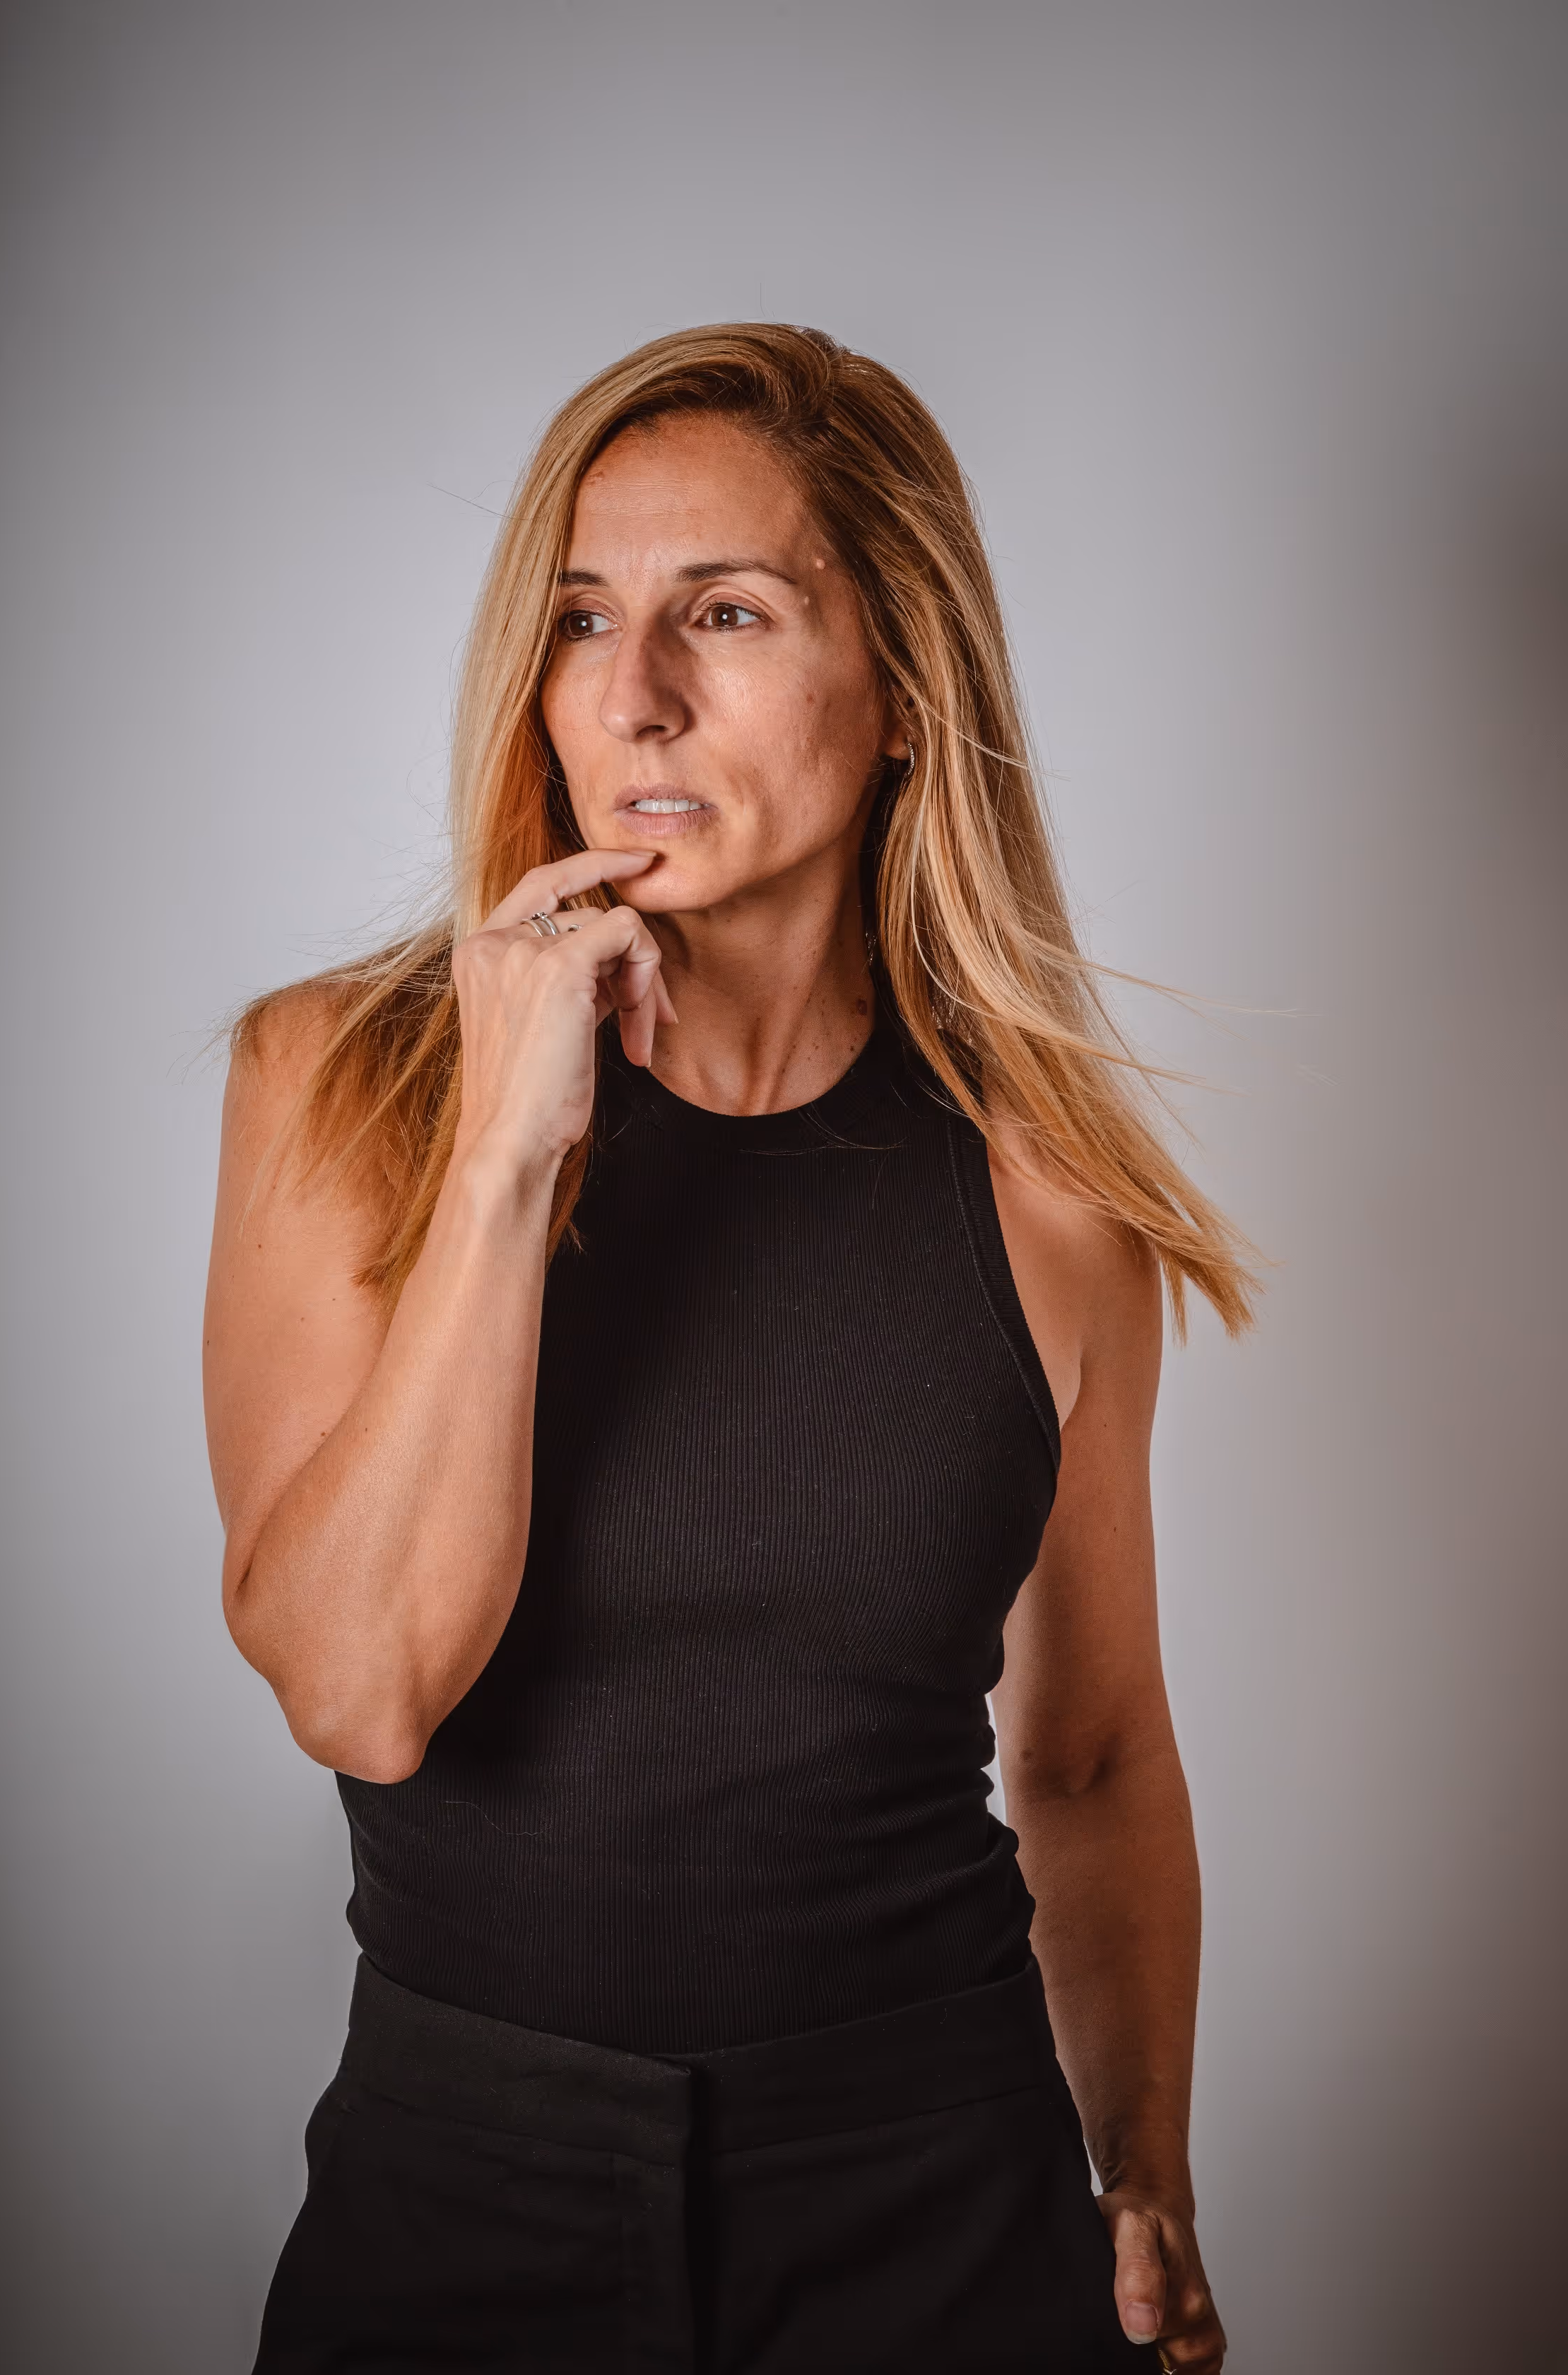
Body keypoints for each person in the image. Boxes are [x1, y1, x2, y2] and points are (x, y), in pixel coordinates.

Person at [204, 323, 1251, 2374]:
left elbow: (1094, 1753)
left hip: (939, 2198)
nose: (634, 694)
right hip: (461, 2186)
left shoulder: (1048, 1199)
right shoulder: (344, 1082)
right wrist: (506, 1153)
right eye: (583, 617)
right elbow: (361, 1691)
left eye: (732, 612)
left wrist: (1145, 2165)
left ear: (906, 691)